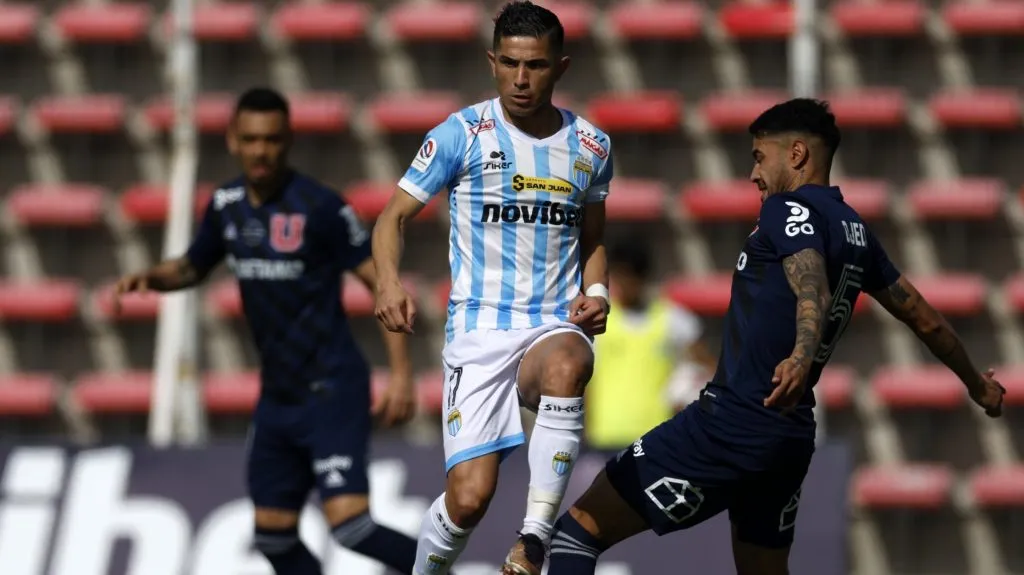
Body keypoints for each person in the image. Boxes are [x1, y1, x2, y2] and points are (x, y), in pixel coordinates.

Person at [545, 98, 1007, 575]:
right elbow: (925, 320)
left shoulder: (787, 209)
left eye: (759, 157)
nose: (754, 174)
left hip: (731, 422)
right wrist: (976, 383)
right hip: (788, 435)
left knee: (577, 531)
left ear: (797, 154)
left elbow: (812, 284)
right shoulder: (855, 231)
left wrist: (801, 356)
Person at [112, 87, 422, 575]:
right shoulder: (226, 205)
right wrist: (152, 277)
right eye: (252, 139)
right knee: (273, 537)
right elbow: (192, 267)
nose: (261, 151)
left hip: (332, 388)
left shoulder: (320, 207)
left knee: (351, 526)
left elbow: (383, 285)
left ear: (288, 140)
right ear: (233, 140)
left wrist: (401, 375)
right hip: (278, 396)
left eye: (272, 139)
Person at [371, 2, 614, 573]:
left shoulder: (591, 146)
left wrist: (598, 293)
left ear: (561, 66)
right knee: (468, 500)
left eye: (535, 65)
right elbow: (391, 217)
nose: (520, 79)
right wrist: (387, 281)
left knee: (569, 363)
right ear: (492, 61)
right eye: (509, 63)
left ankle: (534, 539)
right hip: (478, 331)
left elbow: (593, 238)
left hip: (551, 323)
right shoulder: (461, 134)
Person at [585, 241, 716, 452]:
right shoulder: (600, 321)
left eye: (630, 277)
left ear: (643, 277)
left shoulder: (673, 319)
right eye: (620, 276)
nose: (625, 284)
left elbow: (708, 367)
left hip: (654, 438)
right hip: (604, 436)